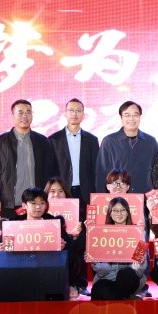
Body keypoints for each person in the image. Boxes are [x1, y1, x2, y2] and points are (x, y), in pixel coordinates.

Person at [49, 98, 98, 297]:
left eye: (79, 111)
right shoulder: (54, 139)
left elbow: (96, 170)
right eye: (71, 110)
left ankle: (81, 282)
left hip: (84, 194)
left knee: (83, 237)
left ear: (83, 115)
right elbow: (51, 170)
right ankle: (63, 281)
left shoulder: (92, 140)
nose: (75, 114)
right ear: (65, 113)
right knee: (63, 237)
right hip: (62, 194)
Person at [0, 99, 58, 220]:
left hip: (37, 205)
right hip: (9, 204)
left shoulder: (43, 142)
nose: (25, 116)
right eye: (20, 112)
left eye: (28, 112)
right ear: (12, 115)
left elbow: (50, 171)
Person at [0, 187, 75, 264]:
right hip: (19, 269)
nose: (38, 207)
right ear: (24, 205)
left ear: (46, 205)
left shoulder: (54, 225)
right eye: (33, 203)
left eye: (42, 203)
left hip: (48, 269)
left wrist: (63, 248)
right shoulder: (13, 226)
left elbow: (71, 253)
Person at [95, 101, 158, 194]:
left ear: (140, 117)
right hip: (117, 197)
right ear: (121, 117)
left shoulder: (151, 141)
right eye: (127, 115)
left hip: (145, 196)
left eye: (135, 115)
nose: (131, 118)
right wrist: (102, 198)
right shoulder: (109, 141)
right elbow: (101, 172)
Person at [89, 197, 147, 301]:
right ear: (110, 214)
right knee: (99, 289)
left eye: (123, 210)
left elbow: (138, 272)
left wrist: (139, 263)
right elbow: (103, 272)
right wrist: (95, 262)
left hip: (129, 279)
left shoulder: (138, 232)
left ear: (128, 212)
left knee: (127, 273)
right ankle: (126, 298)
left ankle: (119, 297)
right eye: (115, 210)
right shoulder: (102, 233)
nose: (119, 213)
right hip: (108, 279)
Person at [45, 176, 86, 299]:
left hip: (70, 256)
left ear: (66, 194)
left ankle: (72, 283)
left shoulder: (76, 214)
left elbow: (79, 246)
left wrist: (76, 237)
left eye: (60, 191)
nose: (56, 195)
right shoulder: (40, 213)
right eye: (52, 191)